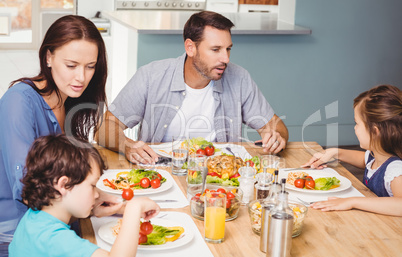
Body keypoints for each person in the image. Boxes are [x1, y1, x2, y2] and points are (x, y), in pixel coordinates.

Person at [0, 15, 122, 257]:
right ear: (48, 57)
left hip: (57, 222)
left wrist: (95, 199)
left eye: (90, 66)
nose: (82, 77)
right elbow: (27, 188)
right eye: (71, 65)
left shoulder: (68, 100)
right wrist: (87, 205)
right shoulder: (19, 101)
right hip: (17, 235)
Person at [97, 11, 289, 164]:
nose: (226, 59)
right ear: (190, 47)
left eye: (228, 49)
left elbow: (275, 125)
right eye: (215, 50)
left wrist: (276, 137)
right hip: (161, 172)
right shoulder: (151, 76)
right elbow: (105, 129)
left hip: (219, 177)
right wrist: (127, 145)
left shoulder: (239, 78)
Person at [7, 134, 160, 257]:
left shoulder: (35, 217)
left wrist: (93, 210)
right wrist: (134, 208)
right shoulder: (54, 240)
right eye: (92, 186)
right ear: (64, 185)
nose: (96, 194)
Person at [303, 85, 402, 216]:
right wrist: (334, 152)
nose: (355, 128)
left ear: (375, 132)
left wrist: (352, 202)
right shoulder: (377, 156)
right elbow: (363, 159)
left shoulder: (395, 169)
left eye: (357, 123)